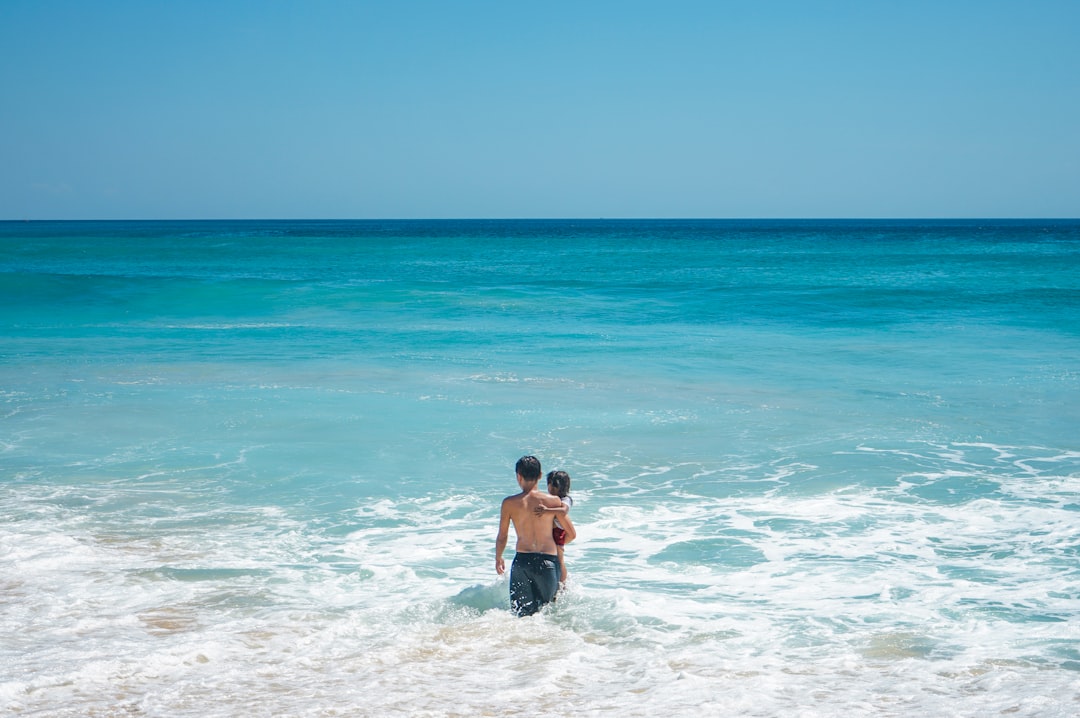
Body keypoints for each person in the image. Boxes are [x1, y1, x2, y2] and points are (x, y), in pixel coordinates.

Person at [495, 455, 568, 616]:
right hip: (547, 561)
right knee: (546, 615)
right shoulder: (553, 502)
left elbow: (502, 535)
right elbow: (567, 531)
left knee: (521, 615)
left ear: (518, 476)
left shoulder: (509, 503)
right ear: (540, 475)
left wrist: (498, 557)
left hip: (522, 562)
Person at [534, 470, 575, 584]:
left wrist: (547, 510)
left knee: (559, 559)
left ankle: (562, 584)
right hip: (551, 531)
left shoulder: (566, 499)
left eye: (554, 486)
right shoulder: (551, 499)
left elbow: (563, 511)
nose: (550, 489)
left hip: (558, 530)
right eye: (550, 485)